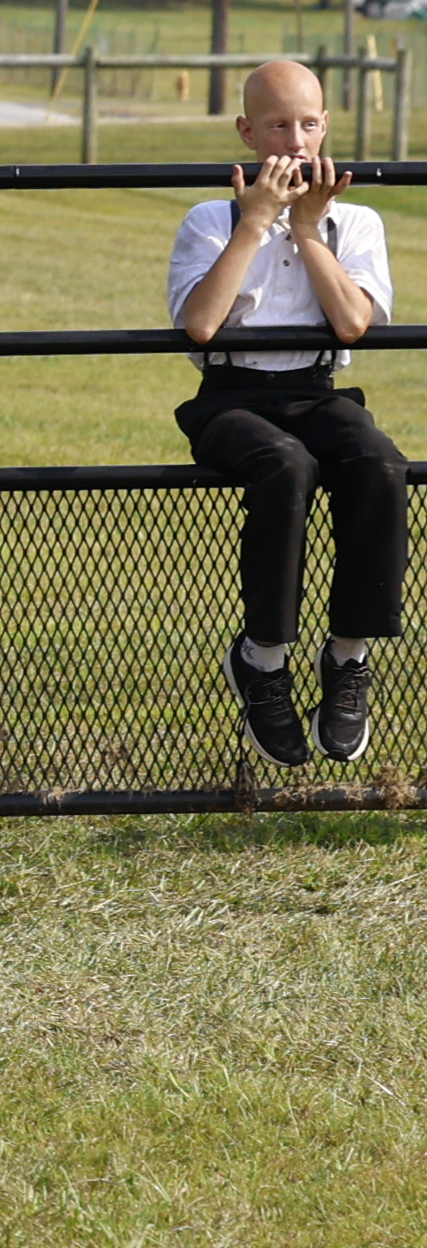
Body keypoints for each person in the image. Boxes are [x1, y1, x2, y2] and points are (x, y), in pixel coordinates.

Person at [167, 59, 405, 766]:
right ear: (246, 132)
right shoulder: (209, 218)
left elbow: (353, 323)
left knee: (375, 459)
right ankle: (262, 659)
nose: (295, 140)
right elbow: (202, 325)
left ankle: (347, 657)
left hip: (316, 390)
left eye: (307, 123)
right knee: (284, 463)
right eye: (277, 124)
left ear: (325, 125)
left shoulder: (353, 220)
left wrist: (305, 231)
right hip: (230, 399)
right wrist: (256, 223)